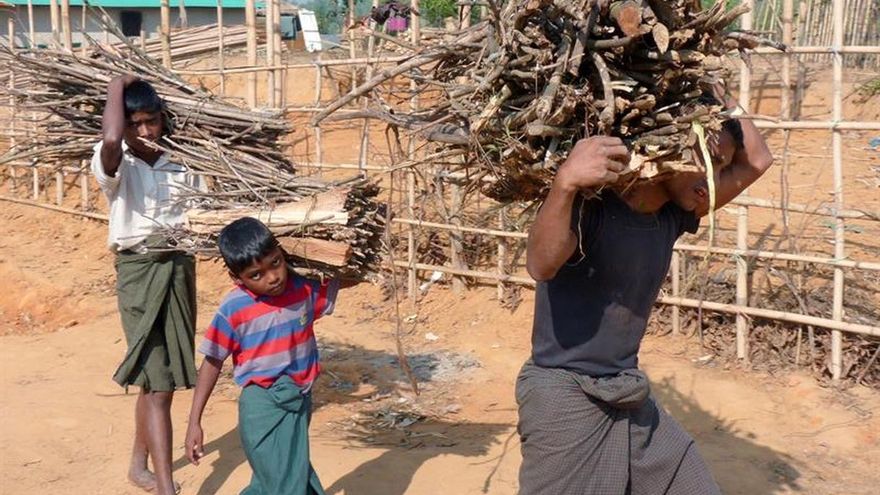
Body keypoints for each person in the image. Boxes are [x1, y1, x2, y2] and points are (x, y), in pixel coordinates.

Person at [517, 91, 773, 494]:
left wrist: (717, 94)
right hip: (565, 395)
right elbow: (540, 265)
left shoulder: (674, 216)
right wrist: (565, 182)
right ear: (668, 150)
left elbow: (758, 160)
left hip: (627, 391)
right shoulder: (592, 204)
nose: (713, 177)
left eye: (720, 165)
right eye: (705, 160)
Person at [91, 75, 202, 495]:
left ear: (163, 119)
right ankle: (167, 488)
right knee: (159, 384)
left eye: (151, 121)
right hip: (138, 274)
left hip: (178, 271)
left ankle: (139, 466)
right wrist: (117, 83)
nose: (145, 132)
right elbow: (112, 140)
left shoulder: (186, 162)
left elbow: (198, 218)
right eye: (135, 123)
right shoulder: (114, 162)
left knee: (161, 376)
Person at [185, 217, 341, 495]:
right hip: (263, 406)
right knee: (284, 483)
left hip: (301, 398)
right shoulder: (234, 308)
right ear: (237, 278)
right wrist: (194, 421)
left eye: (276, 263)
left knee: (285, 476)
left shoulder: (302, 288)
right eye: (256, 275)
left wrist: (320, 251)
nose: (272, 278)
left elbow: (345, 273)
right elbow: (212, 361)